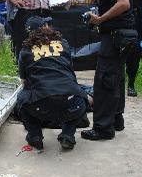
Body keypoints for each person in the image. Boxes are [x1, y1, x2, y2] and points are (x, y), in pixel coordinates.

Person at [78, 0, 135, 141]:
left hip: (114, 34)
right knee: (116, 78)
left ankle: (103, 128)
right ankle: (116, 119)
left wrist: (100, 19)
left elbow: (124, 2)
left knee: (104, 80)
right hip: (123, 33)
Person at [16, 16, 89, 150]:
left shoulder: (25, 50)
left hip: (41, 105)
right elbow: (70, 72)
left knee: (21, 98)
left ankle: (35, 136)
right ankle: (68, 135)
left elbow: (24, 82)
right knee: (81, 96)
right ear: (46, 28)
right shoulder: (64, 43)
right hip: (71, 103)